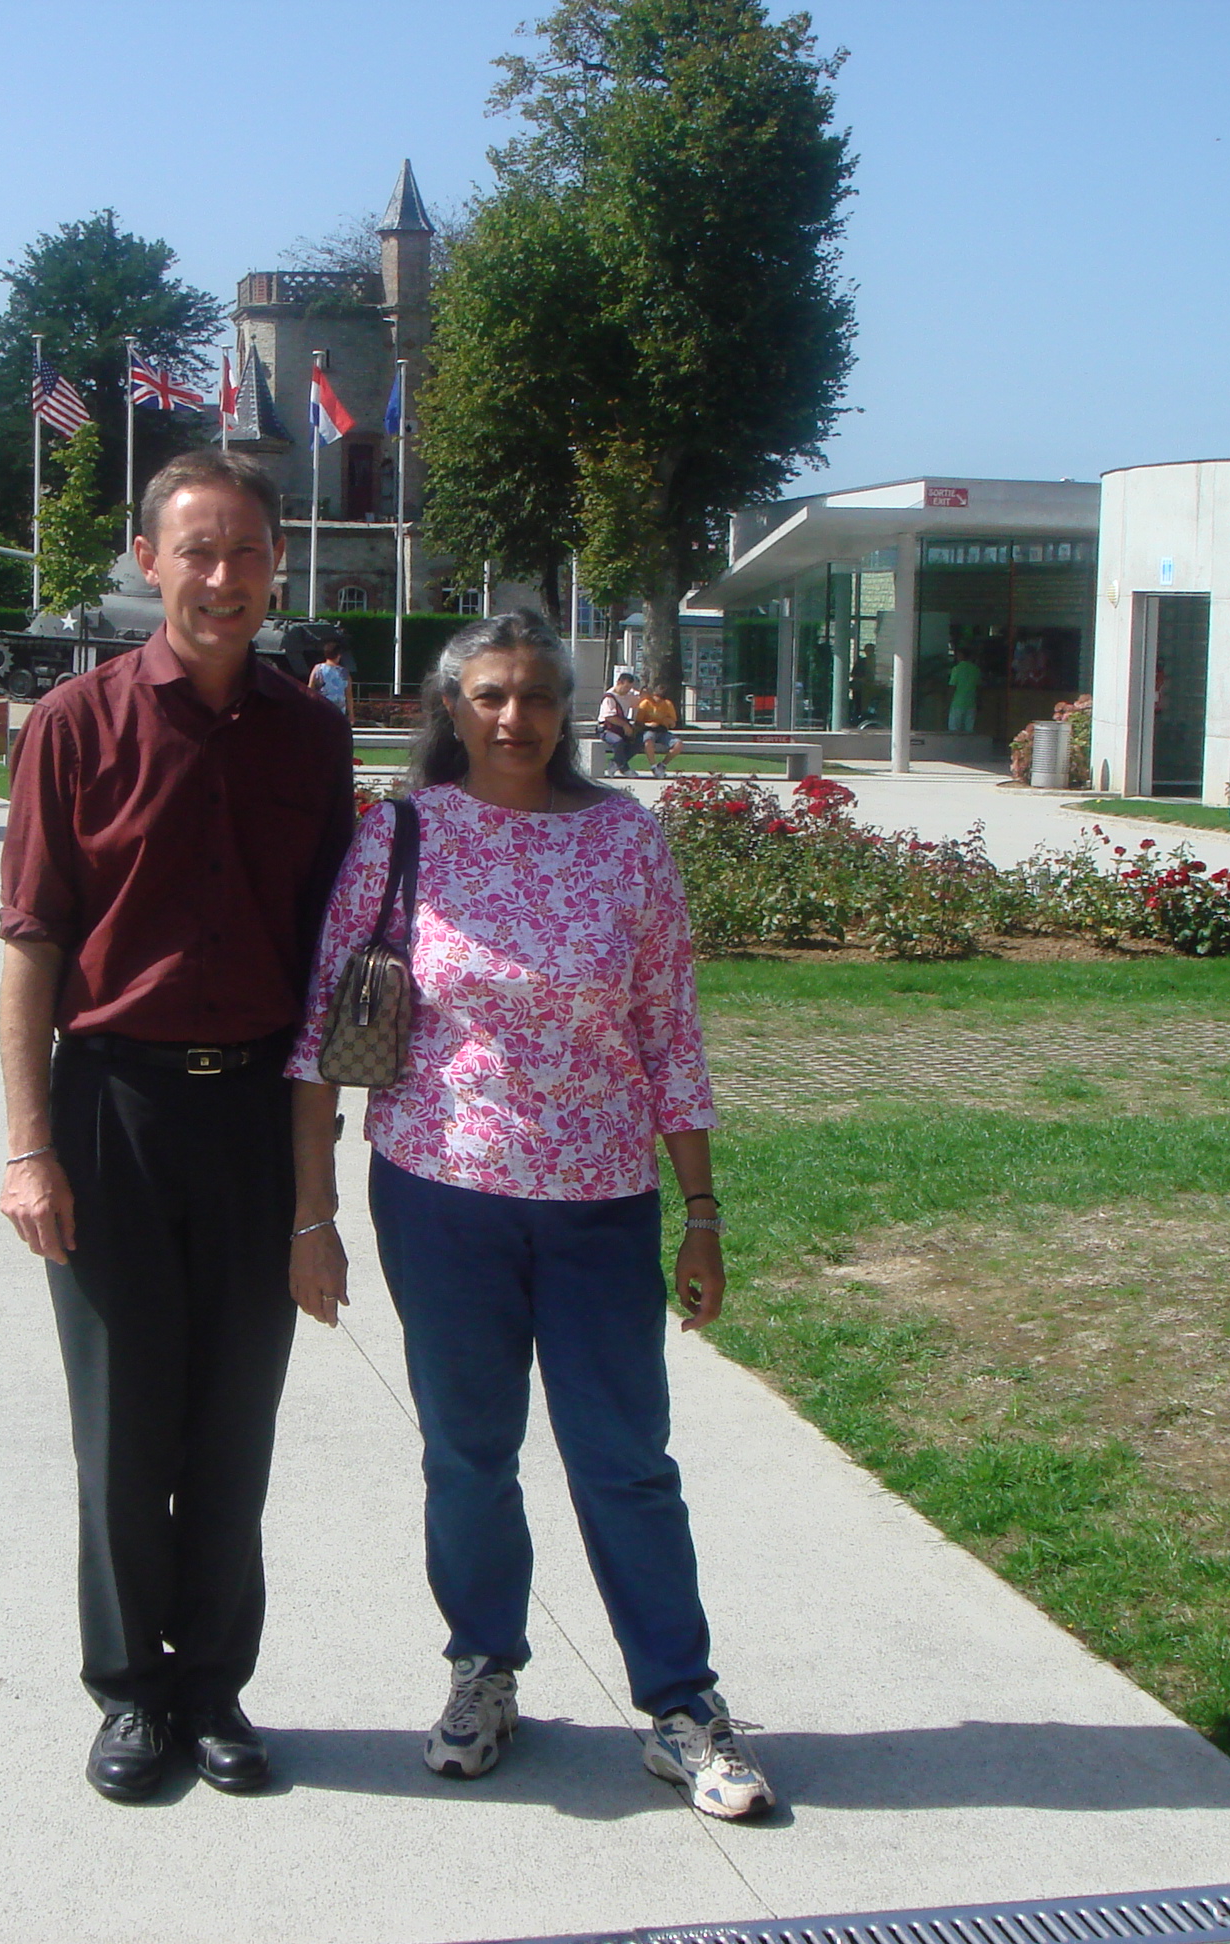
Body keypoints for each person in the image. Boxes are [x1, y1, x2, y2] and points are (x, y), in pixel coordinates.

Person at [283, 610, 776, 1822]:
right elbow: (317, 1043)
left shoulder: (627, 843)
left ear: (571, 712)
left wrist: (700, 1208)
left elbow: (671, 1034)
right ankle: (483, 1670)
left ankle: (680, 1704)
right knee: (468, 1454)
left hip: (602, 1203)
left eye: (538, 696)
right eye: (490, 694)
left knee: (627, 1462)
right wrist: (313, 1215)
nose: (515, 718)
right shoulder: (402, 835)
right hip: (440, 1198)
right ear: (450, 708)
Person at [0, 448, 355, 1803]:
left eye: (248, 551)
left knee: (233, 1425)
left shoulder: (313, 739)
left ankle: (213, 1690)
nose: (223, 577)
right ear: (147, 563)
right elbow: (33, 946)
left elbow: (332, 964)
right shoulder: (74, 728)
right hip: (116, 1114)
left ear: (276, 567)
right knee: (124, 1427)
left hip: (258, 1114)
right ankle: (128, 1694)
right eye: (196, 550)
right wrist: (30, 1146)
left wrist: (319, 1193)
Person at [597, 668, 641, 775]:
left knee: (638, 743)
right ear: (619, 683)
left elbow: (640, 700)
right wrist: (625, 725)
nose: (628, 690)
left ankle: (615, 762)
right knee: (618, 742)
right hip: (606, 729)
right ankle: (624, 768)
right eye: (626, 687)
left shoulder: (629, 695)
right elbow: (609, 717)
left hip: (621, 728)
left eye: (630, 688)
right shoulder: (609, 697)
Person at [634, 680, 680, 777]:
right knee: (648, 741)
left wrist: (667, 721)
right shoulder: (645, 703)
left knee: (678, 744)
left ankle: (662, 765)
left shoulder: (667, 704)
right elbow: (637, 722)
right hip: (649, 730)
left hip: (662, 730)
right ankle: (653, 766)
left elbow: (673, 723)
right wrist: (648, 724)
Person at [307, 633, 353, 717]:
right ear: (338, 655)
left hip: (322, 709)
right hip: (339, 712)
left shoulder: (318, 669)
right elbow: (348, 695)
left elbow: (310, 689)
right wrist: (351, 715)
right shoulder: (344, 673)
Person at [947, 645, 983, 735]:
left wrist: (947, 702)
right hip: (971, 703)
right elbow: (978, 688)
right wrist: (979, 702)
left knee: (954, 730)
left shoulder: (956, 669)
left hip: (957, 703)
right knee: (969, 730)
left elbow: (952, 686)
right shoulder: (976, 670)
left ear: (960, 655)